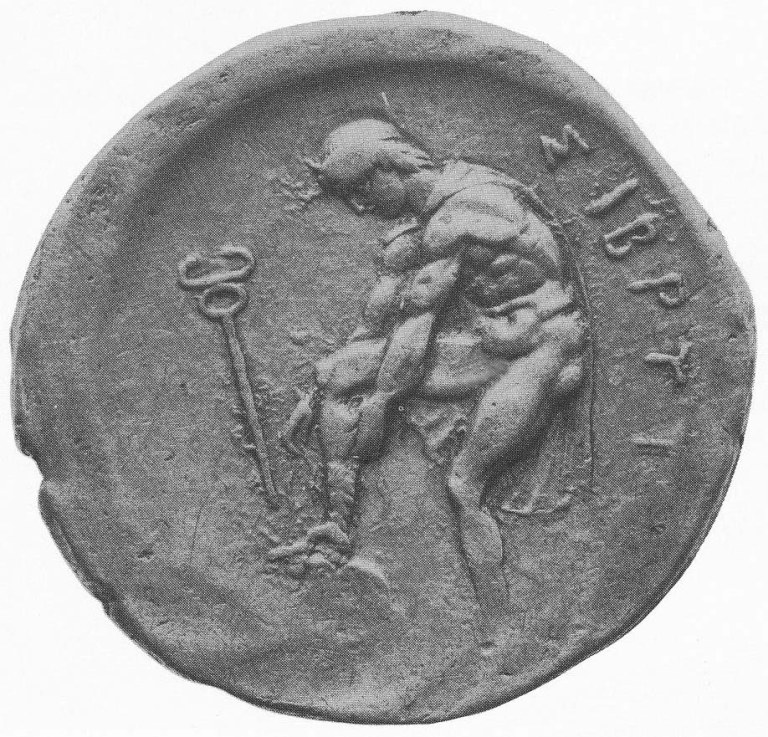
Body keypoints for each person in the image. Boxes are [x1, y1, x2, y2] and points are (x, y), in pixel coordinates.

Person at [270, 117, 587, 646]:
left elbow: (414, 331)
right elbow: (378, 322)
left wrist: (381, 405)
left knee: (465, 485)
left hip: (543, 347)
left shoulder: (461, 216)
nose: (359, 209)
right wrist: (321, 388)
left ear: (389, 170)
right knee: (337, 376)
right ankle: (334, 530)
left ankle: (500, 630)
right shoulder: (419, 229)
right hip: (491, 344)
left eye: (359, 192)